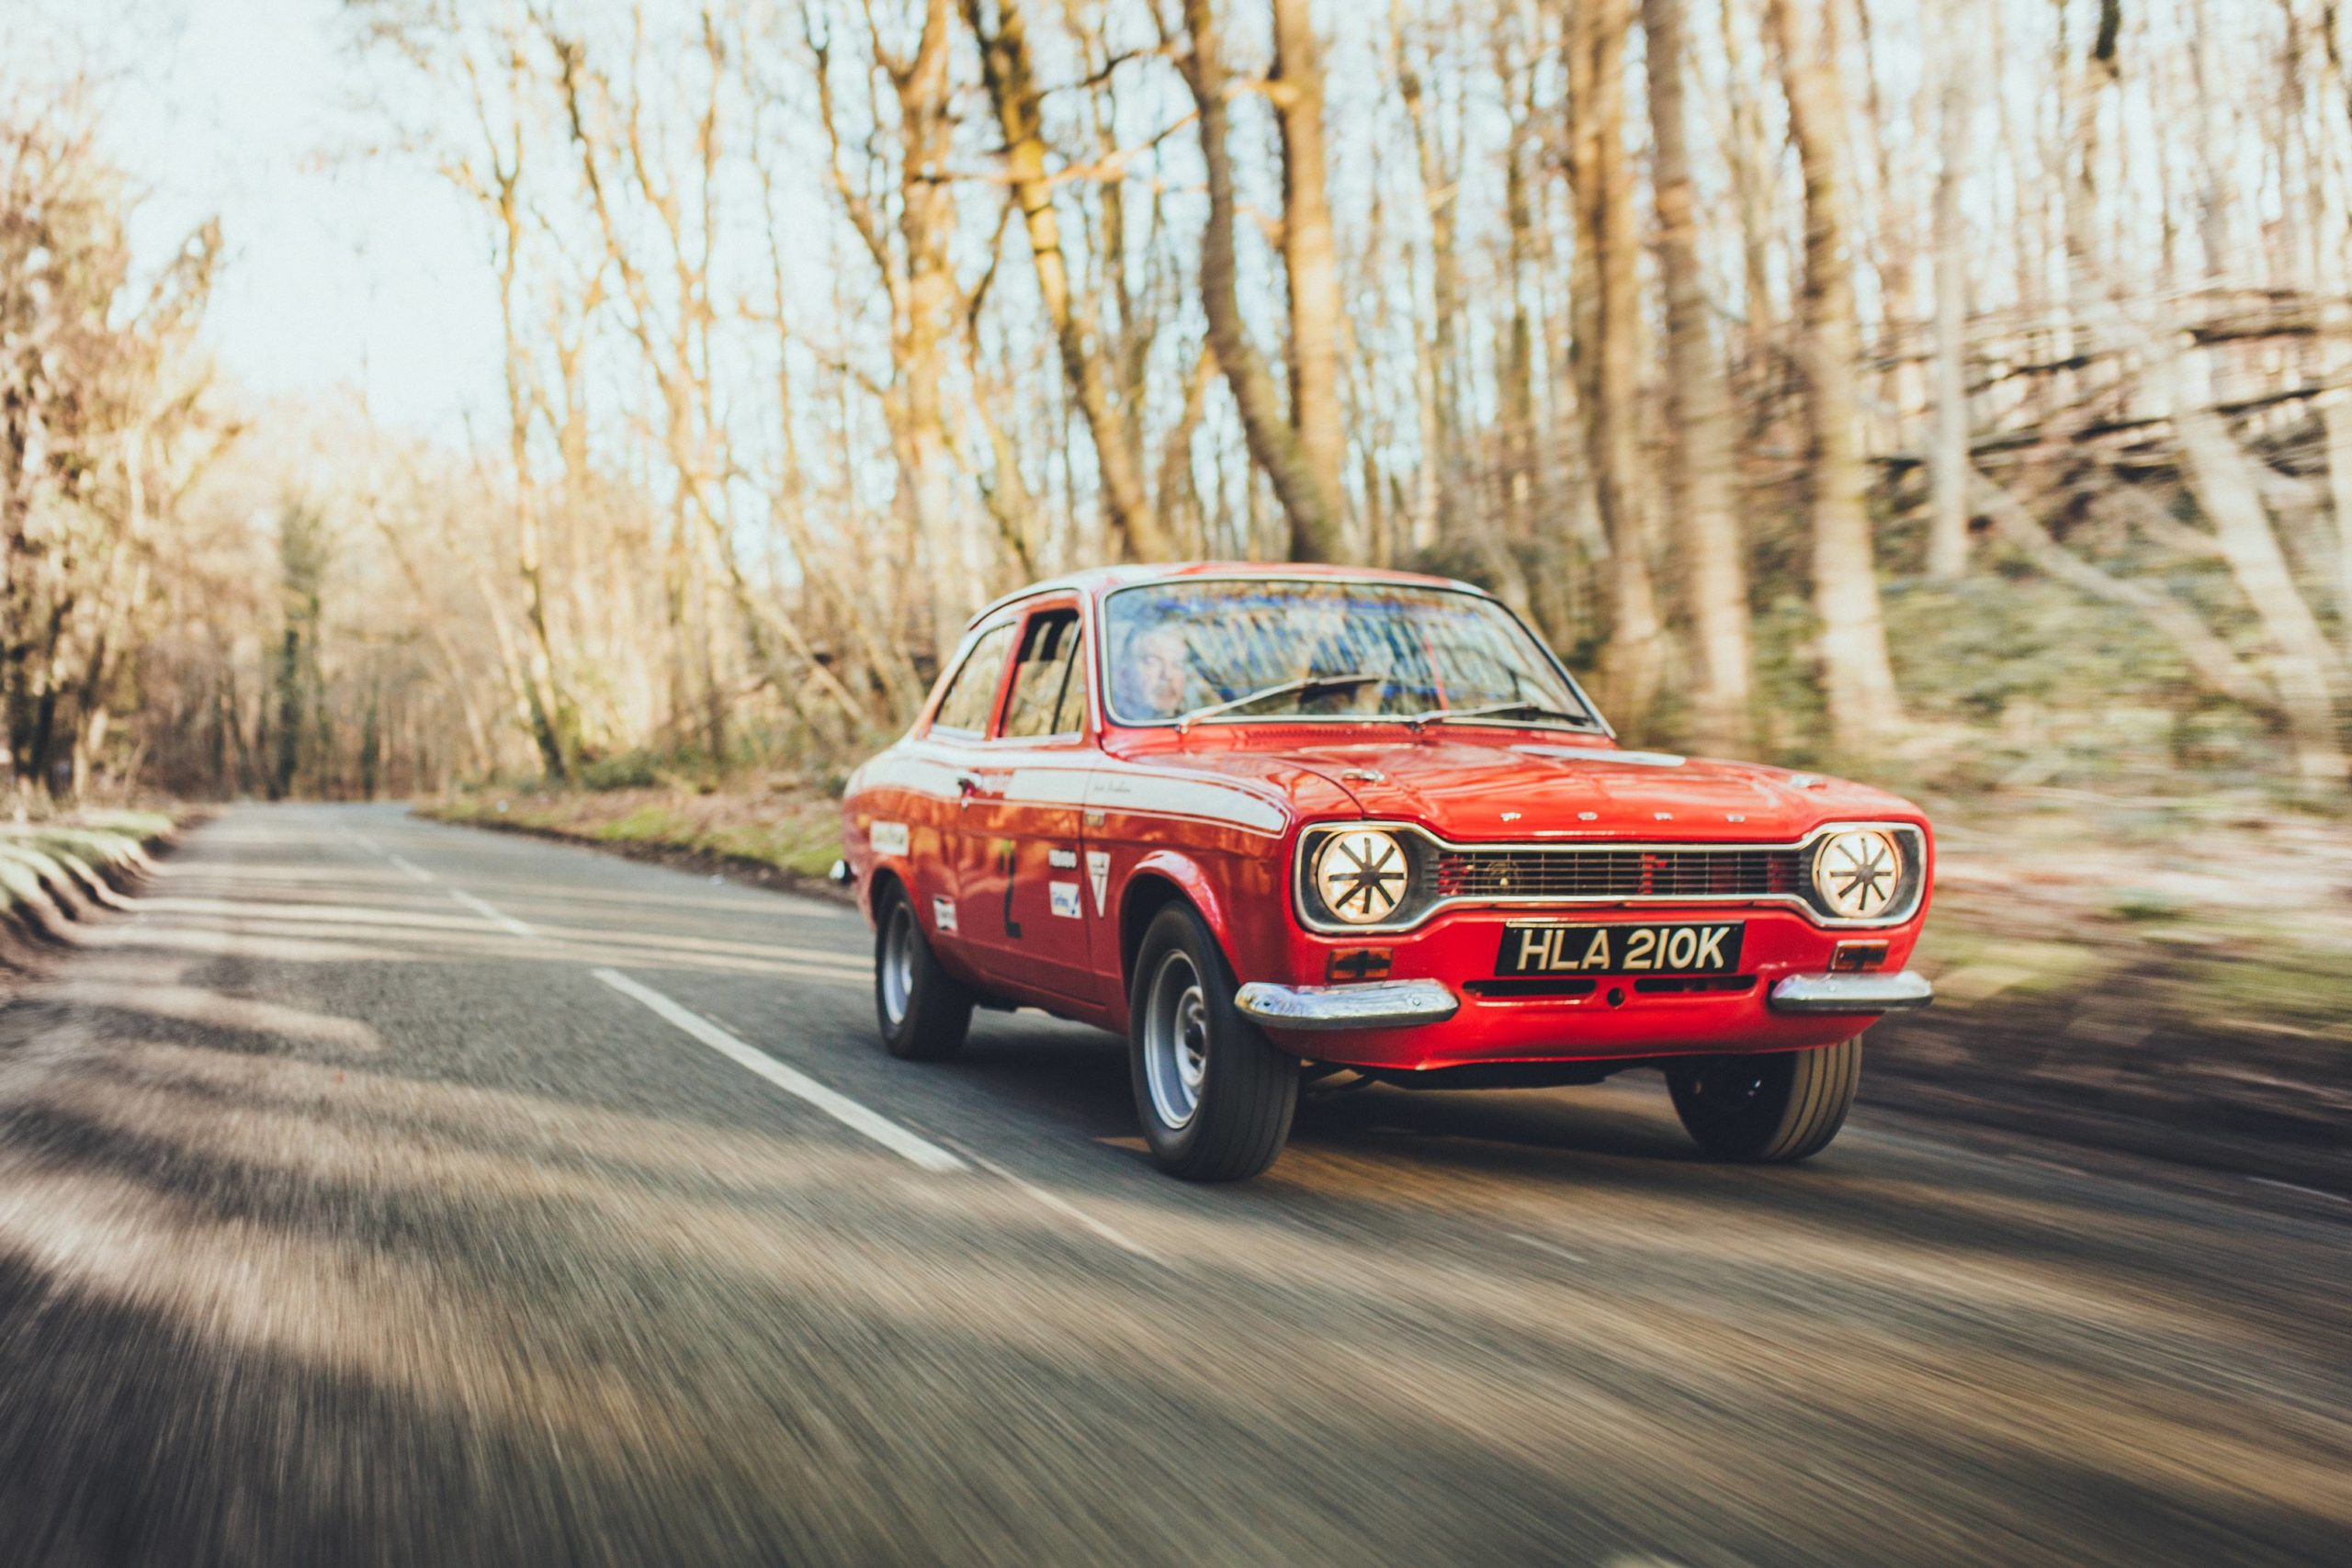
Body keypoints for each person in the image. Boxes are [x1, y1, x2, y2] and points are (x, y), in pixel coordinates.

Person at [1114, 620, 1198, 721]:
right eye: (1152, 662)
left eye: (1177, 664)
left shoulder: (1206, 722)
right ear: (1123, 674)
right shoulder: (1111, 724)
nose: (1168, 674)